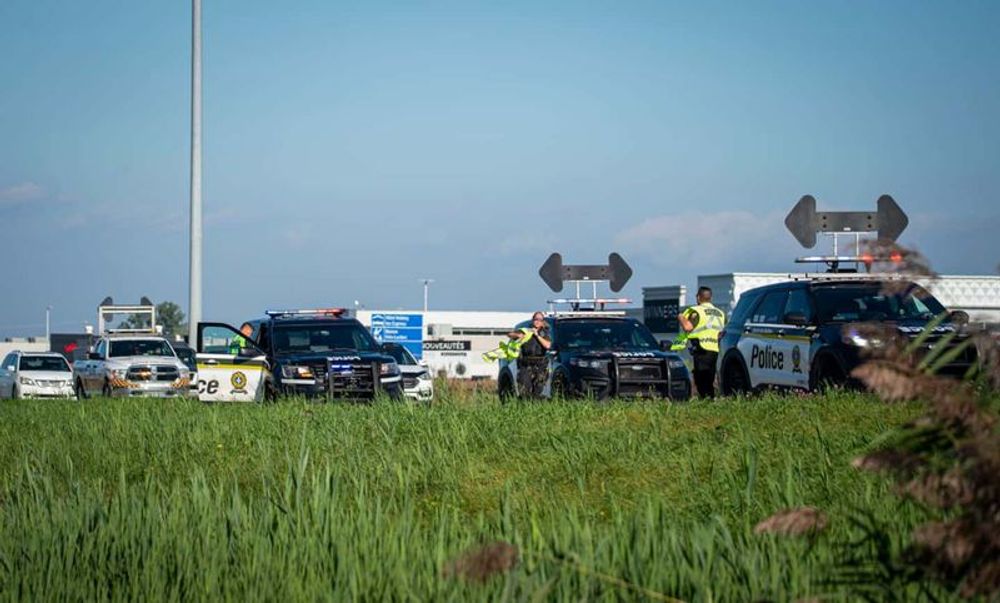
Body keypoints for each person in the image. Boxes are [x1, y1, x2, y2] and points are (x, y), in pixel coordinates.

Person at [676, 287, 726, 398]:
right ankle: (710, 400)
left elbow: (687, 327)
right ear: (711, 298)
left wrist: (680, 317)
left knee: (701, 380)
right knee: (710, 378)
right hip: (715, 349)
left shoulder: (696, 311)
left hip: (701, 348)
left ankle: (706, 401)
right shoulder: (720, 313)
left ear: (698, 297)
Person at [508, 311, 551, 398]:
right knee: (524, 389)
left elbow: (547, 345)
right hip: (526, 363)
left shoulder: (545, 333)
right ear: (532, 320)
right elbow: (510, 334)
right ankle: (524, 406)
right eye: (536, 319)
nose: (537, 321)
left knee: (538, 388)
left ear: (542, 322)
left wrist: (537, 336)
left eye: (540, 320)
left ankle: (535, 406)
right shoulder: (526, 330)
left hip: (540, 364)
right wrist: (518, 335)